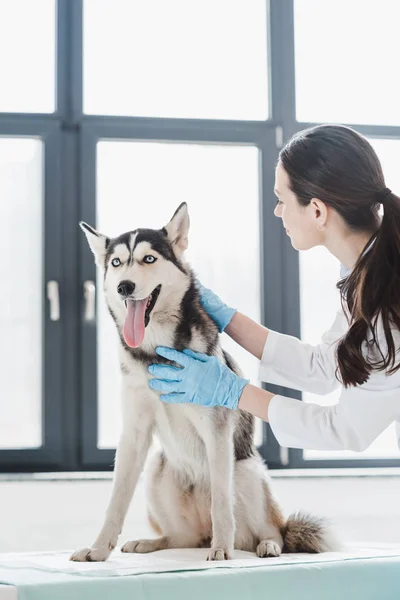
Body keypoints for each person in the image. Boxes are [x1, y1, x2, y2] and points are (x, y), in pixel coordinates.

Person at [148, 124, 400, 453]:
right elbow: (327, 366)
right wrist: (226, 318)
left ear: (318, 211)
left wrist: (233, 392)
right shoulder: (370, 273)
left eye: (282, 200)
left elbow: (343, 429)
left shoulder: (388, 307)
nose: (277, 211)